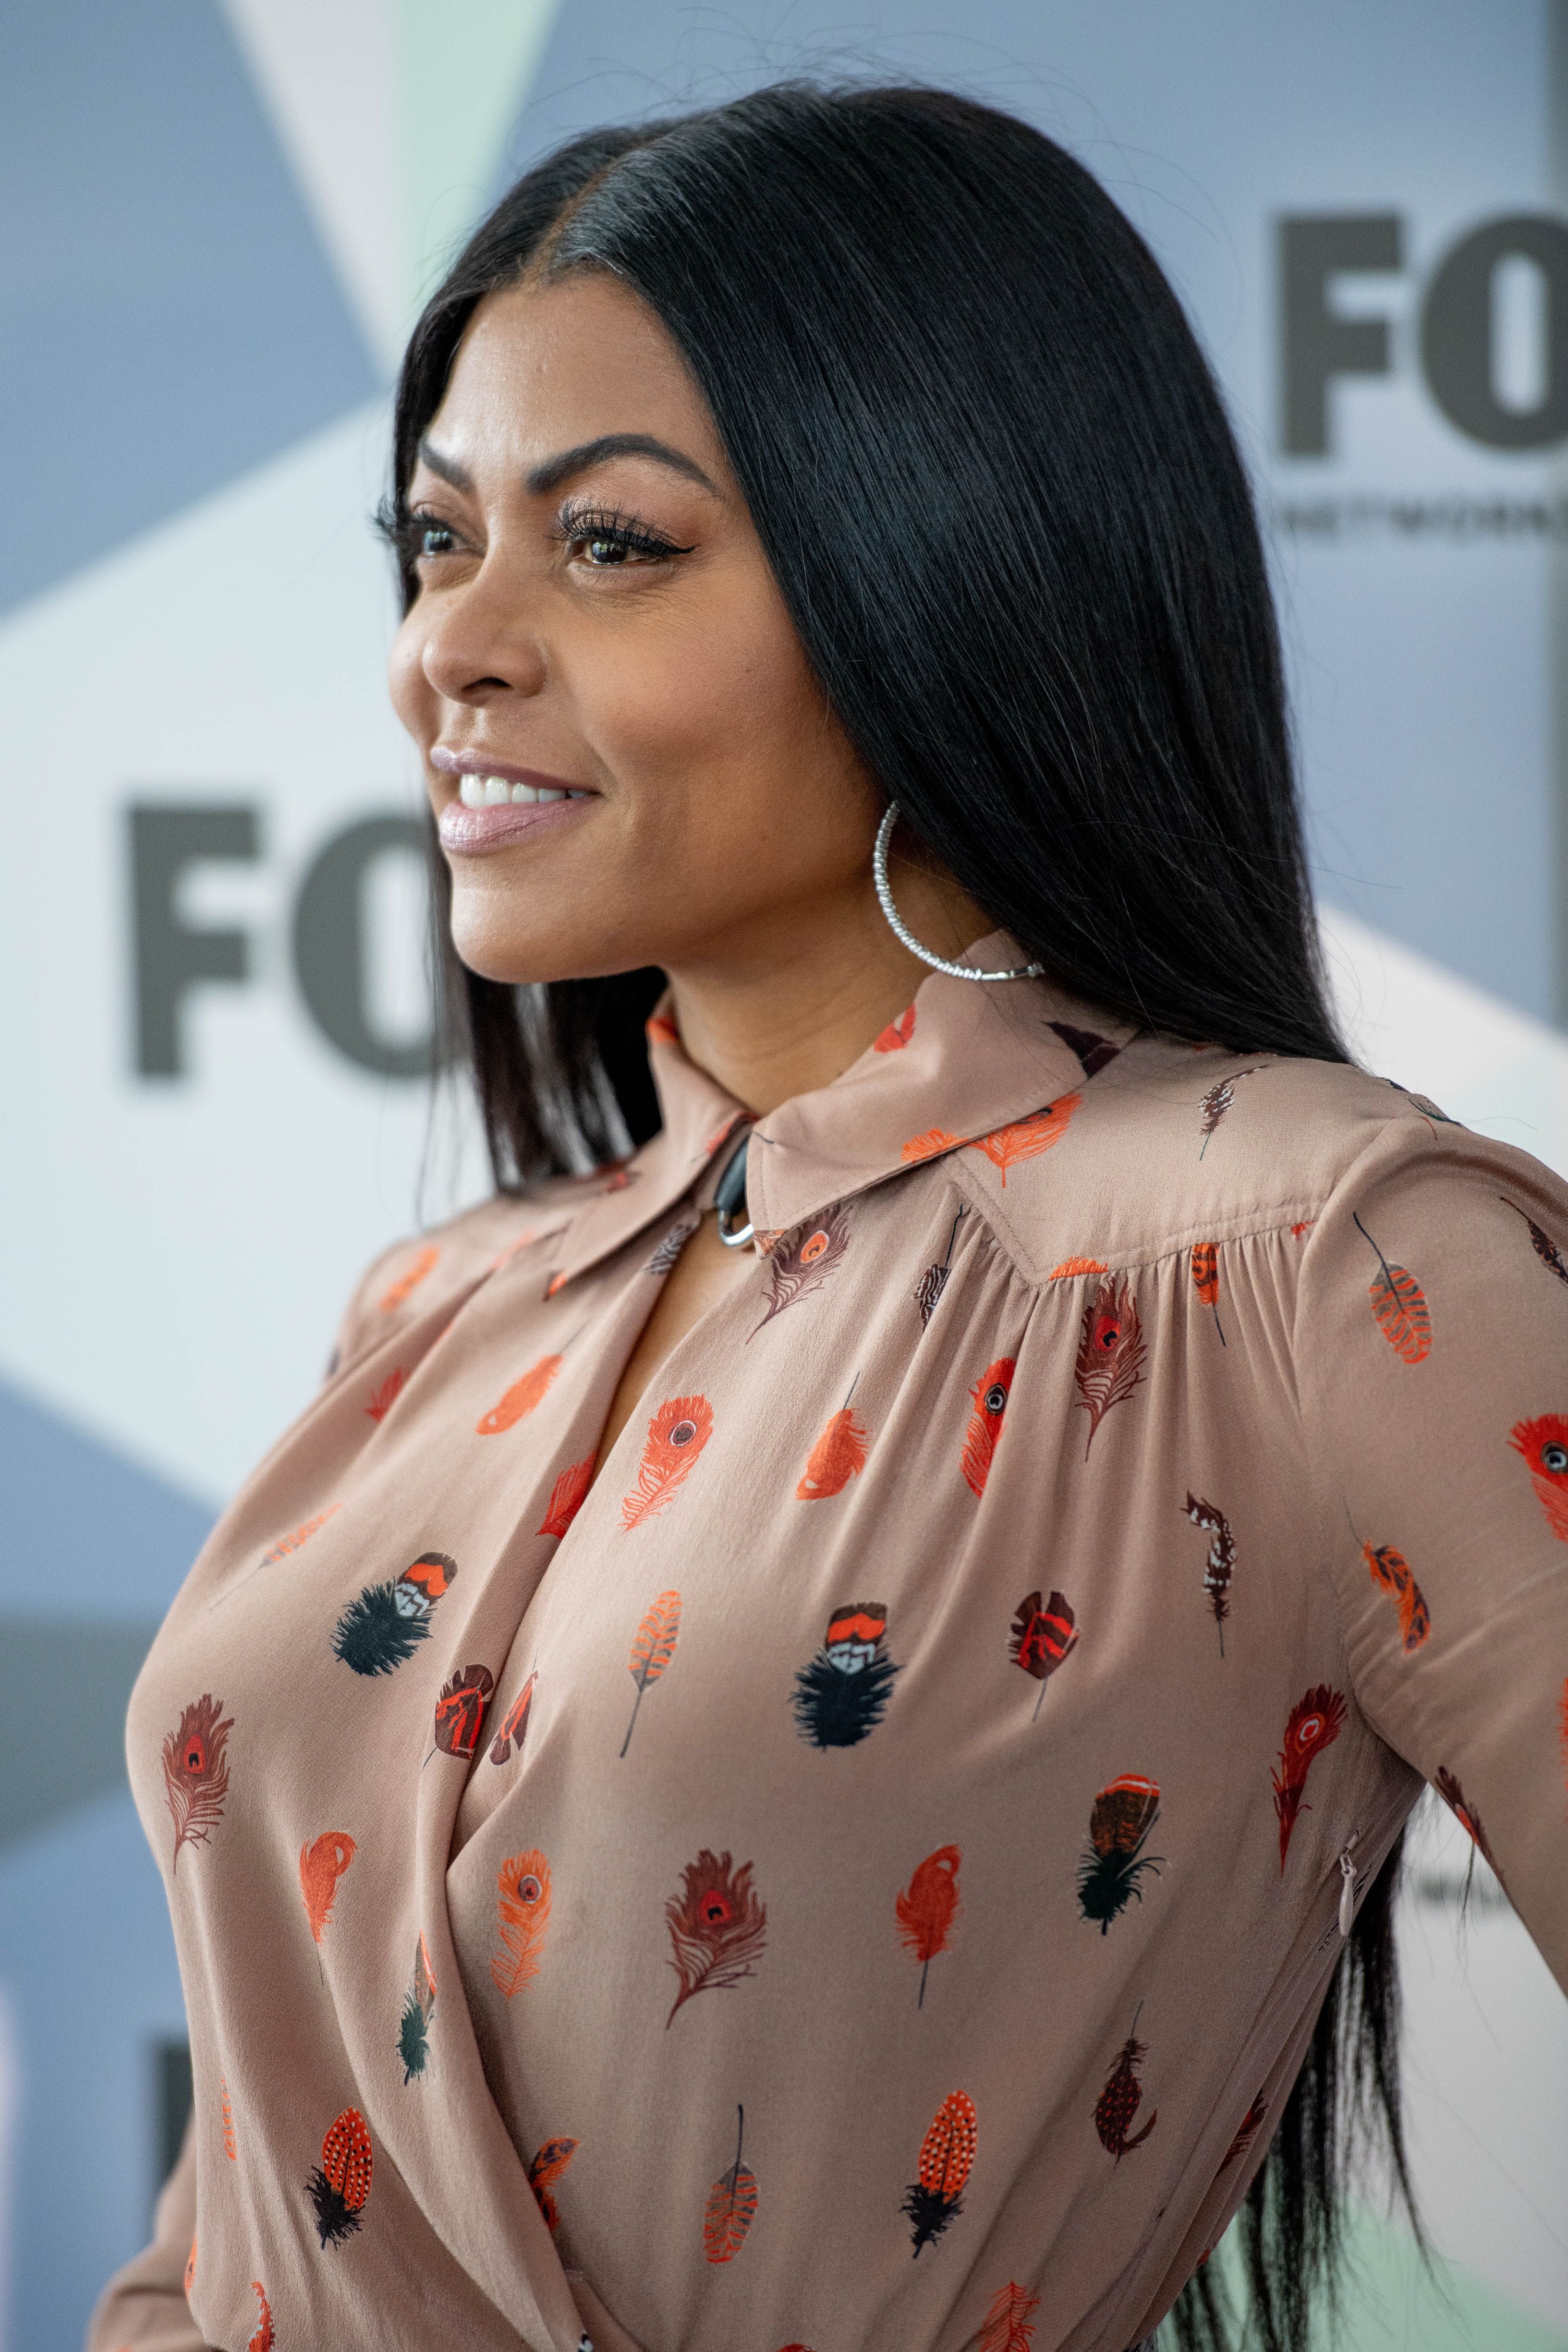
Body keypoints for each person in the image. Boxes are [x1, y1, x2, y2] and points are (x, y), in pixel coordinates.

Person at [90, 82, 1567, 2352]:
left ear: (942, 569)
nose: (445, 650)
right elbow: (229, 2245)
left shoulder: (1309, 1260)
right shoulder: (432, 1310)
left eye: (608, 545)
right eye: (432, 537)